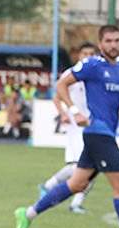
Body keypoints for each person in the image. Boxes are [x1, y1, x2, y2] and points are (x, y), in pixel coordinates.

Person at [14, 25, 119, 228]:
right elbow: (61, 84)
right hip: (98, 133)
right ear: (100, 43)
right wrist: (74, 111)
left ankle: (28, 213)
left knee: (76, 184)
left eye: (117, 40)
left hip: (105, 133)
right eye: (108, 41)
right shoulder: (92, 65)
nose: (113, 45)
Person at [37, 42, 98, 213]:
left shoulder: (96, 75)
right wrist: (63, 113)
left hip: (93, 125)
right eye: (85, 53)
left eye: (91, 54)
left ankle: (76, 203)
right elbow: (57, 97)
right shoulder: (71, 74)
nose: (88, 57)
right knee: (78, 167)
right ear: (79, 56)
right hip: (76, 126)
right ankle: (49, 186)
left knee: (94, 167)